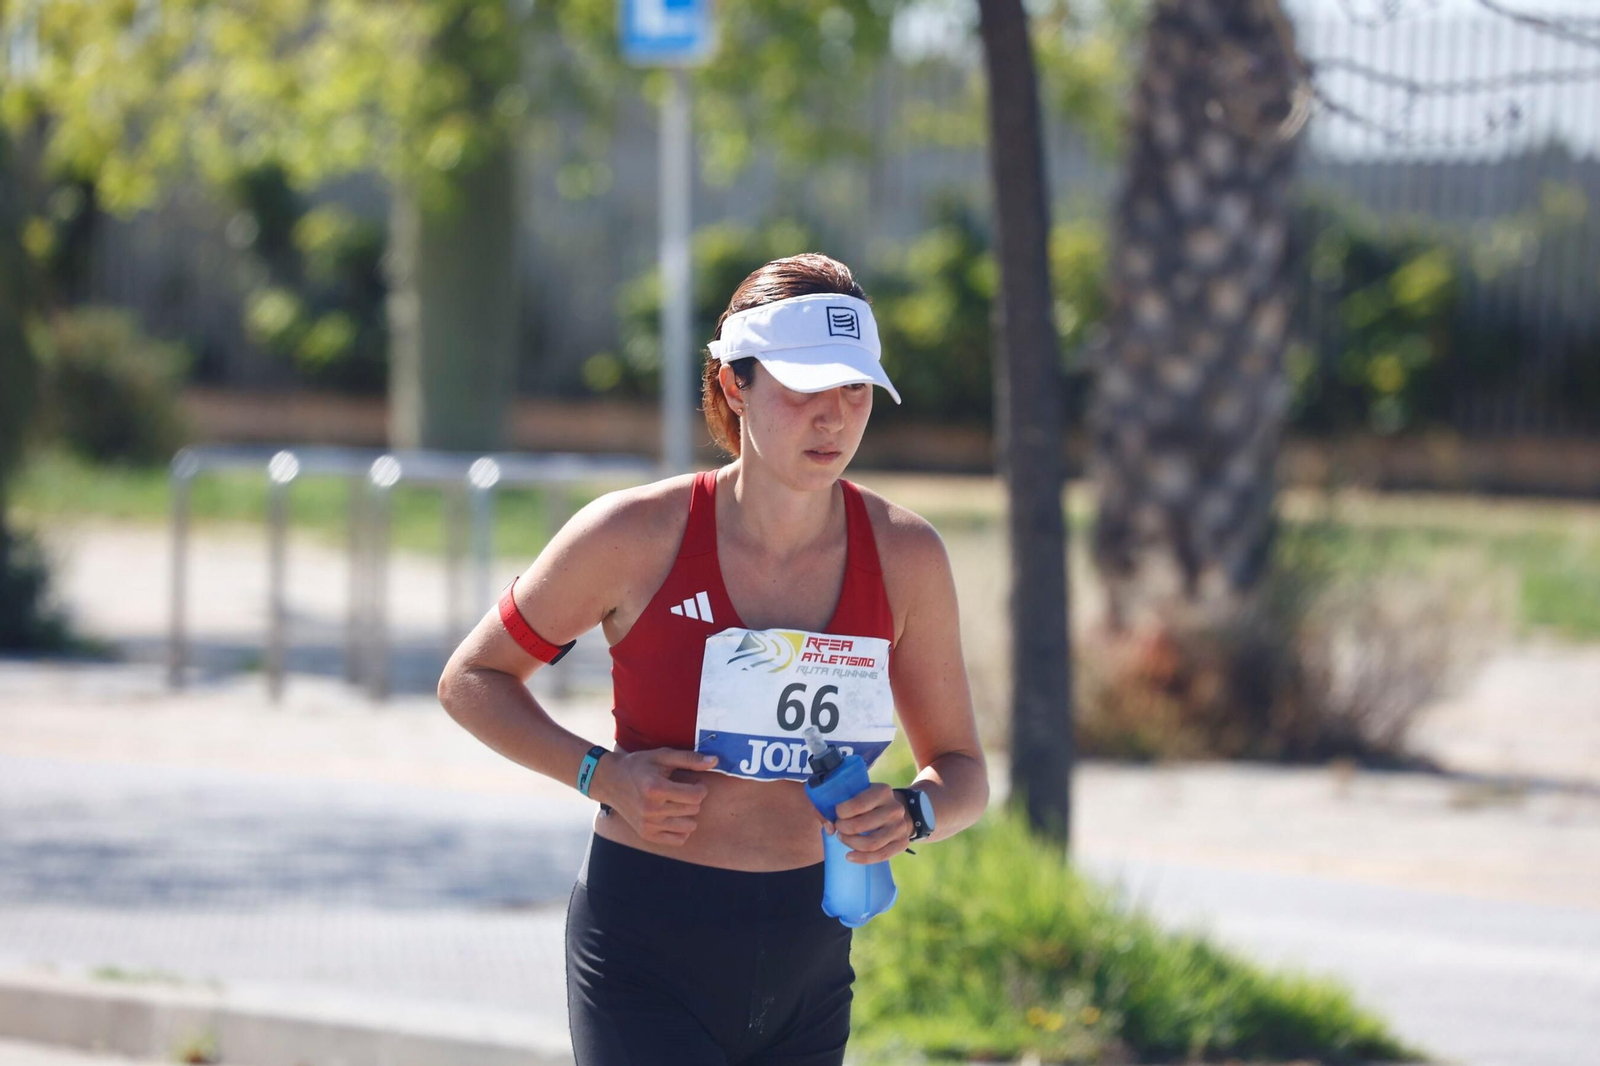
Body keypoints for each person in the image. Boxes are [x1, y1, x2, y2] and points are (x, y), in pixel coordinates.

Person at [437, 253, 989, 1066]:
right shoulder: (633, 535)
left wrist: (914, 813)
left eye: (857, 390)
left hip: (809, 962)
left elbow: (963, 770)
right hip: (645, 953)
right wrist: (602, 774)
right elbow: (471, 681)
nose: (834, 419)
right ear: (736, 385)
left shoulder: (906, 555)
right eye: (805, 388)